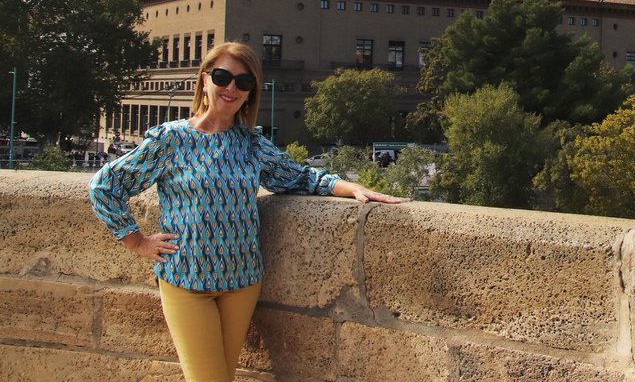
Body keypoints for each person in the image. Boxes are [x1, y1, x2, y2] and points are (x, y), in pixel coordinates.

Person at [89, 41, 404, 382]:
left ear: (251, 92)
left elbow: (300, 177)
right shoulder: (171, 140)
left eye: (243, 82)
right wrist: (136, 241)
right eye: (223, 77)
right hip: (186, 281)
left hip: (242, 283)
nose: (231, 88)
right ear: (204, 81)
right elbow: (104, 187)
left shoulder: (252, 144)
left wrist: (351, 187)